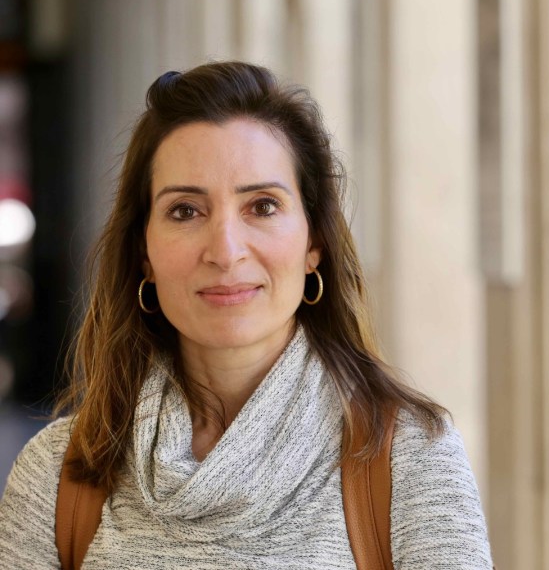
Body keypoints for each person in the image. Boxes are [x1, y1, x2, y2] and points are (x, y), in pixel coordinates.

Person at [0, 62, 494, 568]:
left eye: (262, 206)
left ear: (314, 244)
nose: (225, 251)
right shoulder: (54, 477)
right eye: (185, 211)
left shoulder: (410, 459)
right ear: (143, 253)